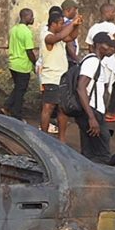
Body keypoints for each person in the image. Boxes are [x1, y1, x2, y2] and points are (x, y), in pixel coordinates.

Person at [72, 32, 115, 164]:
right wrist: (92, 118)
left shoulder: (93, 61)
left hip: (89, 111)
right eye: (108, 45)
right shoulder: (92, 62)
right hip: (92, 112)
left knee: (88, 153)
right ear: (99, 45)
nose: (112, 49)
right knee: (102, 154)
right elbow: (81, 88)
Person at [39, 10, 81, 141]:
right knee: (49, 107)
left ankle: (61, 140)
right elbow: (60, 36)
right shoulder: (47, 35)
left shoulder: (60, 36)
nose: (63, 26)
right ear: (53, 24)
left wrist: (76, 25)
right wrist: (71, 23)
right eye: (61, 23)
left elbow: (72, 37)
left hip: (62, 77)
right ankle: (44, 137)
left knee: (63, 109)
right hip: (51, 77)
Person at [85, 3, 115, 122]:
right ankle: (110, 112)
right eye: (113, 12)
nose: (114, 15)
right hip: (110, 61)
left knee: (99, 85)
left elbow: (90, 46)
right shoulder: (111, 26)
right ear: (106, 12)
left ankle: (96, 109)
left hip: (98, 59)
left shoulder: (93, 28)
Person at [2, 8, 36, 118]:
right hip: (23, 65)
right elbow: (29, 51)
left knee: (18, 88)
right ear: (26, 17)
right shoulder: (26, 32)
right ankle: (16, 113)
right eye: (31, 16)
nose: (33, 18)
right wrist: (35, 62)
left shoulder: (13, 29)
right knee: (21, 91)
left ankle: (7, 107)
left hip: (13, 63)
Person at [60, 0, 81, 66]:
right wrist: (77, 60)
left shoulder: (62, 22)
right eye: (74, 10)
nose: (76, 12)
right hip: (70, 60)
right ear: (68, 10)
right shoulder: (68, 23)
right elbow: (69, 44)